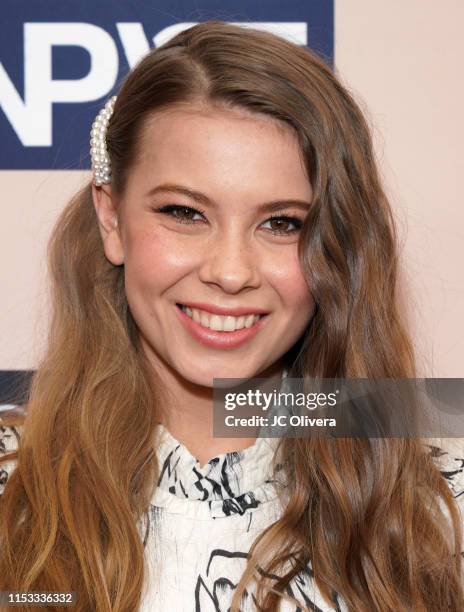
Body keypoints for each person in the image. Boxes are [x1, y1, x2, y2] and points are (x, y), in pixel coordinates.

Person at [0, 20, 463, 612]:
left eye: (283, 223)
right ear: (112, 219)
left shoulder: (439, 507)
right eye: (184, 213)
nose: (230, 270)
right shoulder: (14, 491)